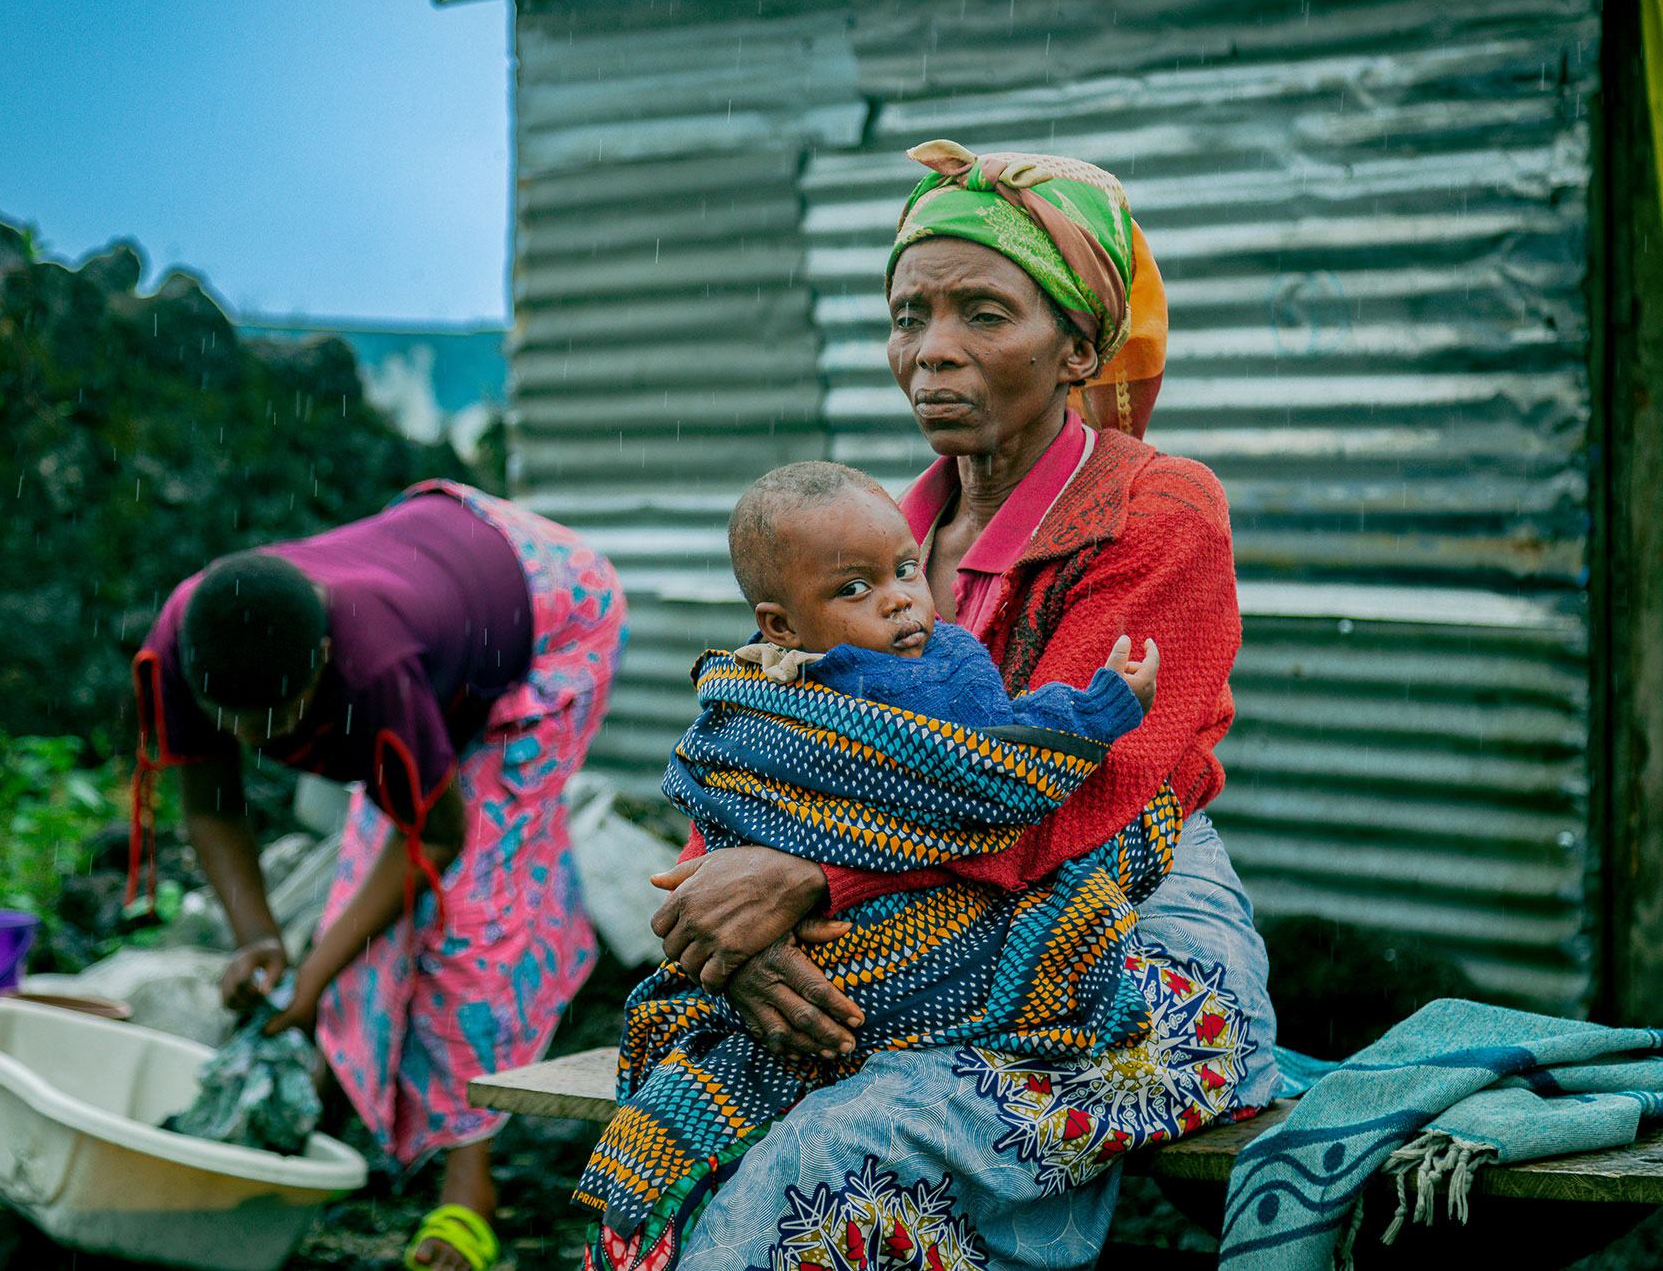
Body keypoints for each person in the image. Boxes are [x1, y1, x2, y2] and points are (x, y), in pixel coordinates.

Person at [594, 143, 1279, 1271]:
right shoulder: (868, 545)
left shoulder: (1156, 512)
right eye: (909, 312)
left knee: (828, 1169)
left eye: (982, 311)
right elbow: (767, 758)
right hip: (884, 945)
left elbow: (1086, 782)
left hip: (1123, 937)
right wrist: (738, 942)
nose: (930, 349)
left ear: (1075, 345)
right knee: (676, 1133)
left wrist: (815, 880)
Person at [577, 460, 1169, 1249]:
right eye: (854, 589)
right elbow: (992, 777)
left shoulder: (749, 687)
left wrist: (804, 878)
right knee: (1073, 919)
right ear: (780, 625)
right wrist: (1098, 710)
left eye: (903, 571)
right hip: (880, 955)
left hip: (827, 937)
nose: (897, 598)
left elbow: (712, 782)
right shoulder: (914, 681)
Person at [130, 479, 624, 1271]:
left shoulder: (373, 664)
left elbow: (437, 835)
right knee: (368, 886)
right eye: (237, 720)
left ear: (320, 660)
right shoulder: (193, 644)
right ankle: (334, 1088)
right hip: (438, 578)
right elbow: (213, 807)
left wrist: (316, 971)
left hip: (550, 609)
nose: (255, 737)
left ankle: (469, 1185)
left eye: (277, 717)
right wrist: (259, 939)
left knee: (473, 913)